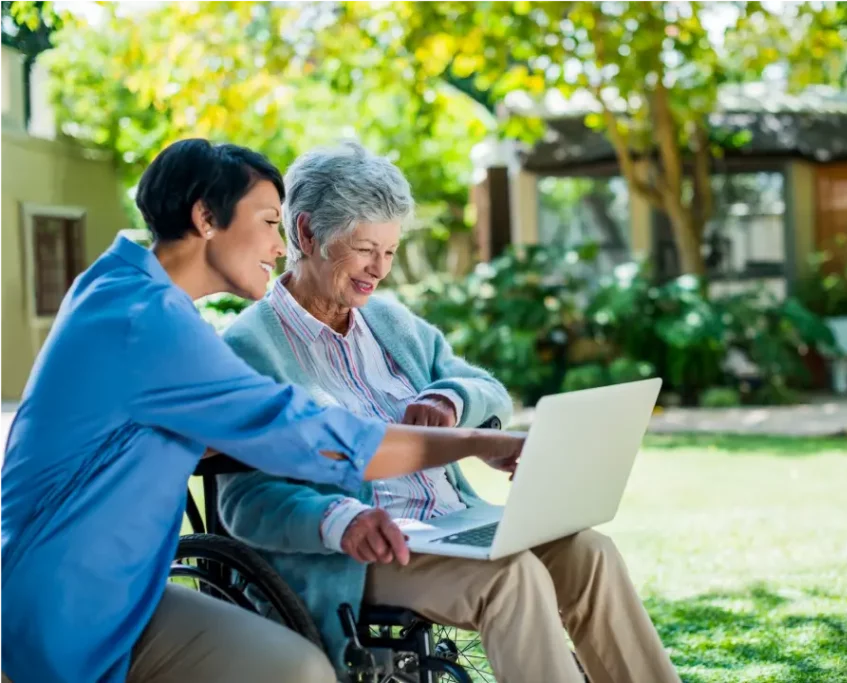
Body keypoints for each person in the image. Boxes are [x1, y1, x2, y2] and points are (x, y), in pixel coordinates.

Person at [0, 139, 524, 683]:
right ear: (206, 217)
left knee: (296, 667)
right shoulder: (148, 323)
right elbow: (318, 437)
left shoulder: (115, 287)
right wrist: (477, 441)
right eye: (271, 222)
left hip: (129, 593)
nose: (280, 248)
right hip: (61, 611)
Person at [217, 141, 680, 683]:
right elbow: (244, 503)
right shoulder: (252, 347)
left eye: (390, 252)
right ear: (306, 234)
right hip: (357, 557)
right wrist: (341, 519)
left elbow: (486, 390)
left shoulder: (390, 324)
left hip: (452, 523)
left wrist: (450, 399)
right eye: (366, 249)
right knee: (513, 577)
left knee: (589, 552)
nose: (379, 270)